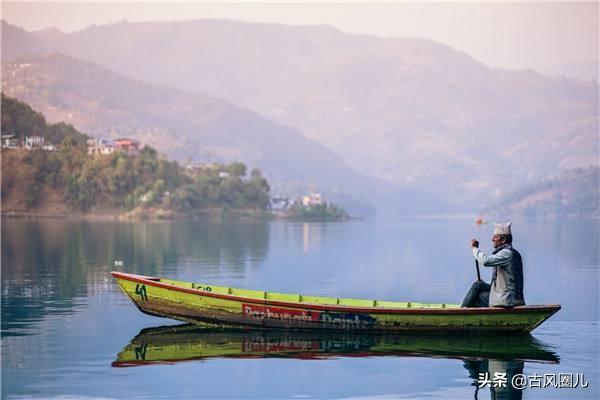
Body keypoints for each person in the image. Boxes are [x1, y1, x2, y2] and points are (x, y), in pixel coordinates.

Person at [461, 222, 525, 308]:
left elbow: (485, 261)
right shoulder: (512, 253)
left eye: (495, 237)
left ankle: (461, 312)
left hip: (508, 300)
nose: (492, 239)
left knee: (477, 298)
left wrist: (474, 249)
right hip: (509, 296)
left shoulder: (507, 254)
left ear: (503, 240)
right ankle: (464, 309)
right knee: (478, 285)